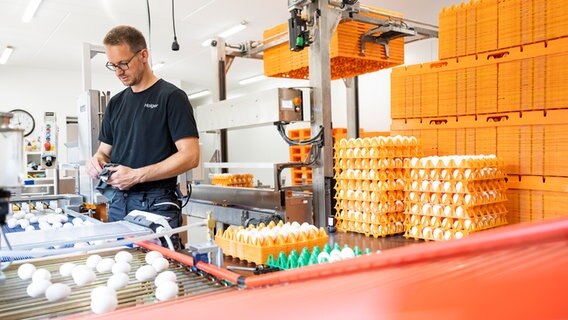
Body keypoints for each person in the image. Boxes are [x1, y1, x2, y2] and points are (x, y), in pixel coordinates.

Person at [86, 25, 199, 250]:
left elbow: (191, 156)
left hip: (155, 203)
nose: (118, 71)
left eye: (123, 63)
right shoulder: (116, 103)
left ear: (144, 55)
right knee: (124, 269)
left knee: (160, 273)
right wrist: (95, 161)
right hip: (118, 201)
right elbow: (104, 150)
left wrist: (137, 175)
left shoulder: (171, 97)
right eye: (113, 65)